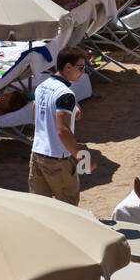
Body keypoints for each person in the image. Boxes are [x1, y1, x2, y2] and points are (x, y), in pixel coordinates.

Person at [28, 48, 86, 206]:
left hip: (37, 154)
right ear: (68, 67)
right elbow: (63, 131)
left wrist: (71, 112)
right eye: (81, 67)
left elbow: (35, 116)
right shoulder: (66, 94)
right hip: (56, 158)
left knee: (41, 209)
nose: (83, 72)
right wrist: (80, 156)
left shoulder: (42, 86)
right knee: (69, 206)